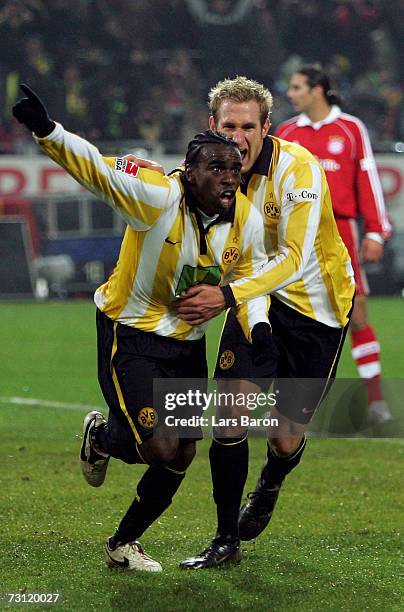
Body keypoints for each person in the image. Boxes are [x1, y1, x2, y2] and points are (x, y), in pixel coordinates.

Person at [12, 84, 272, 572]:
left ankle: (123, 543)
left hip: (187, 345)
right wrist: (48, 131)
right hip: (129, 332)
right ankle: (103, 437)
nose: (229, 179)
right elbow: (95, 170)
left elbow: (250, 282)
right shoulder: (155, 196)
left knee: (181, 454)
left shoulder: (247, 221)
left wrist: (257, 329)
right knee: (157, 446)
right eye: (217, 169)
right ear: (188, 173)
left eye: (235, 170)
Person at [172, 76, 355, 569]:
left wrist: (224, 293)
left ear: (266, 127)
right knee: (229, 417)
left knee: (283, 433)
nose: (238, 136)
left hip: (316, 308)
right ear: (212, 125)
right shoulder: (210, 175)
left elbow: (294, 258)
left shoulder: (299, 169)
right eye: (228, 125)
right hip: (256, 301)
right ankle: (225, 539)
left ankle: (271, 481)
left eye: (248, 126)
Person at [275, 65, 392, 424]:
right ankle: (289, 403)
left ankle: (375, 400)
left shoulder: (351, 129)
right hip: (293, 235)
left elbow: (368, 178)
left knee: (356, 313)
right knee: (285, 316)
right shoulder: (286, 132)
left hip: (340, 233)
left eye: (296, 87)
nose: (290, 94)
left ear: (318, 89)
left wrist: (375, 230)